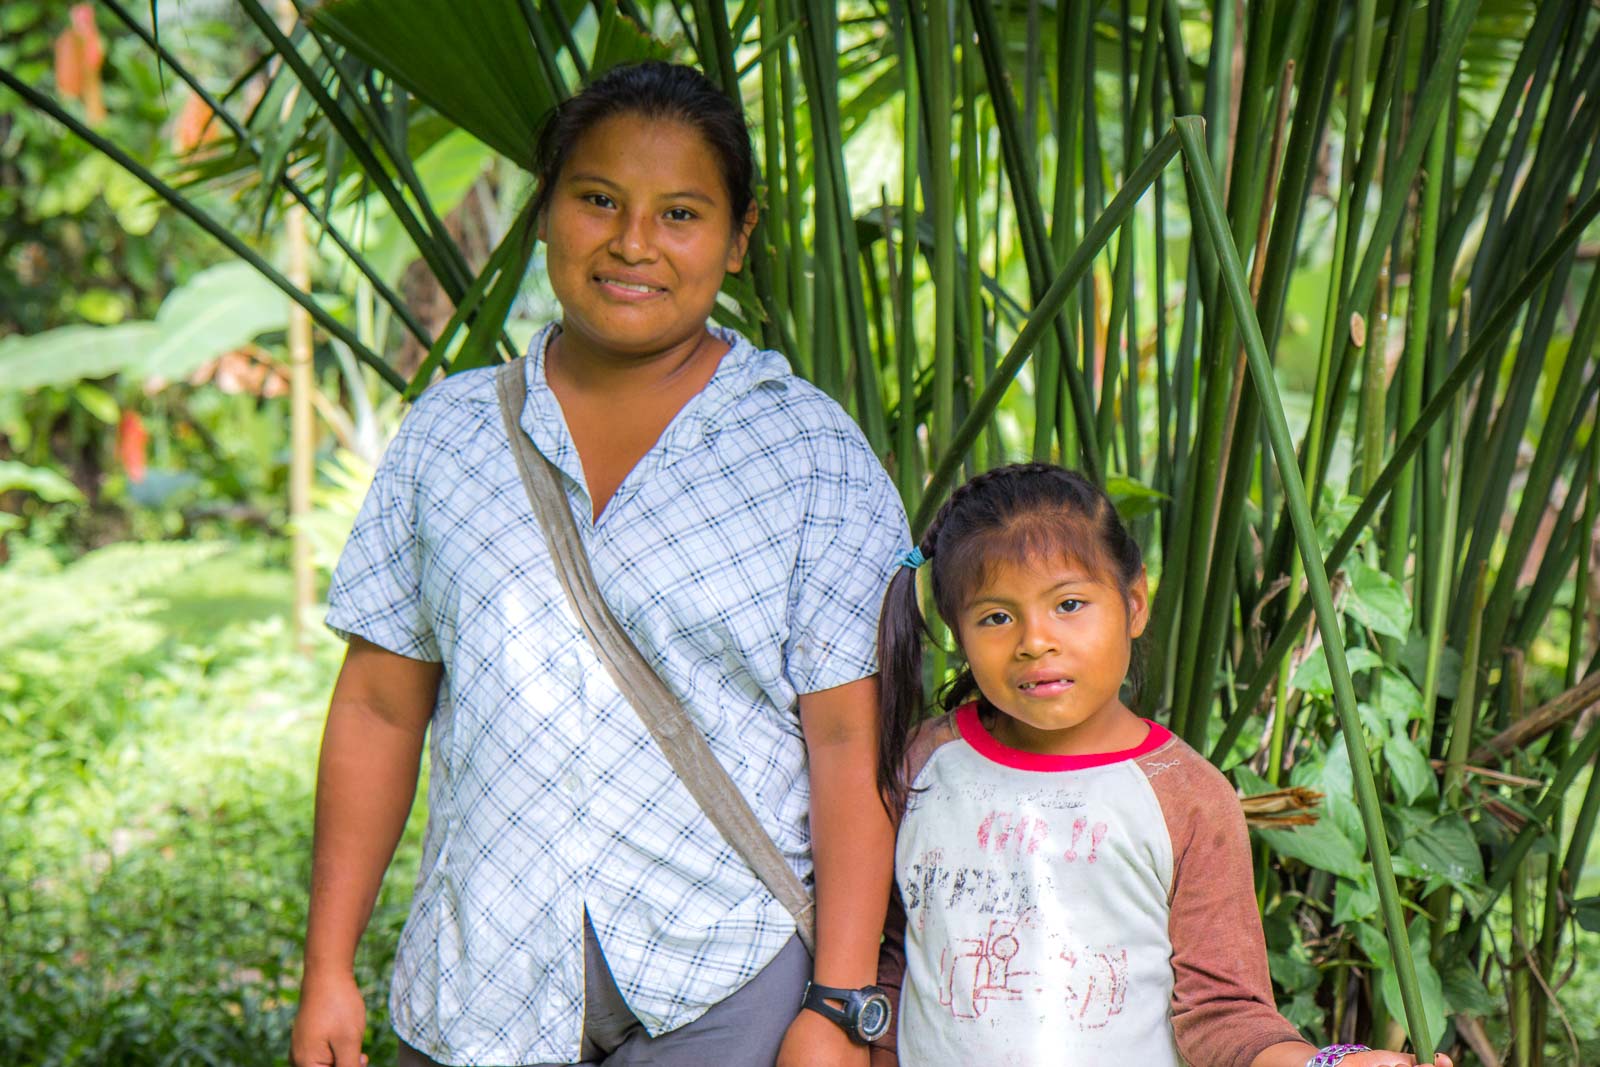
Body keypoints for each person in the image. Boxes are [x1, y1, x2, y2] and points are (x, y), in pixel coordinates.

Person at [289, 62, 907, 1067]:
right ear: (544, 213)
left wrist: (838, 1002)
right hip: (479, 978)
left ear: (738, 239)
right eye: (597, 200)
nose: (632, 243)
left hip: (729, 975)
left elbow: (847, 741)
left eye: (680, 213)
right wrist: (327, 966)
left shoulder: (807, 452)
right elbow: (378, 706)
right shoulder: (446, 437)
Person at [868, 463, 1452, 1067]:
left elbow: (1224, 1013)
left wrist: (1327, 1065)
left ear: (1136, 603)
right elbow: (887, 959)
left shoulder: (1187, 797)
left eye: (1069, 603)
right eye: (996, 617)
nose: (1034, 640)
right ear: (956, 634)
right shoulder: (925, 764)